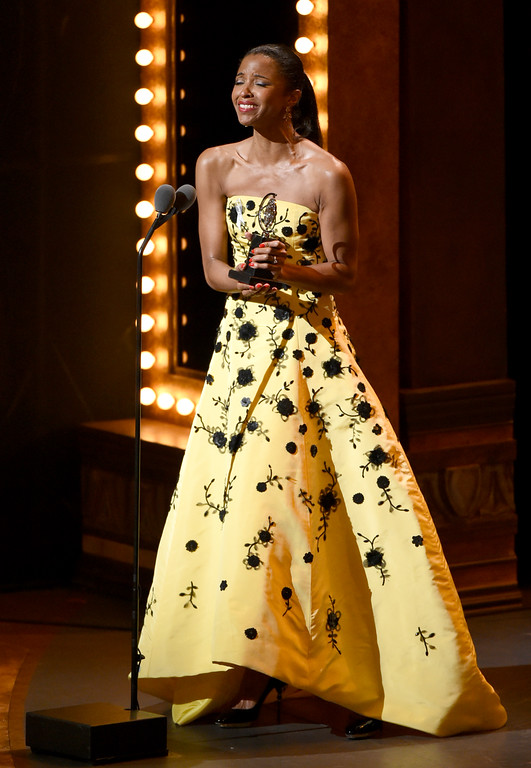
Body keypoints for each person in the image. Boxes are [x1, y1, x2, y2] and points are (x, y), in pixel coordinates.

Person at [137, 43, 507, 739]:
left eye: (260, 83)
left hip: (311, 355)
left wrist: (294, 271)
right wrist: (248, 278)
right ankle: (251, 663)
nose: (244, 92)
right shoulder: (214, 163)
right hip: (242, 361)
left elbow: (346, 274)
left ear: (292, 96)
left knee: (340, 505)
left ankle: (364, 677)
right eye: (238, 80)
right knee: (245, 514)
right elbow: (213, 269)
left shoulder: (326, 173)